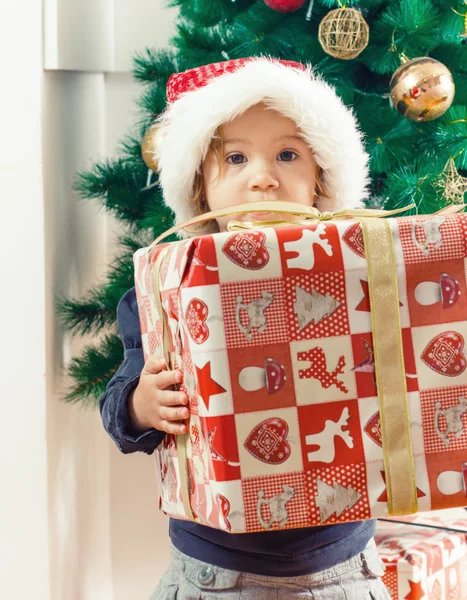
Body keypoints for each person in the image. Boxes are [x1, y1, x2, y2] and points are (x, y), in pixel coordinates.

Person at [99, 56, 391, 600]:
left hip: (344, 564)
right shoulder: (167, 290)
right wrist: (143, 403)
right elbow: (119, 405)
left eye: (287, 154)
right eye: (235, 158)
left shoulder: (358, 273)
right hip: (213, 571)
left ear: (320, 178)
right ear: (199, 189)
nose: (263, 177)